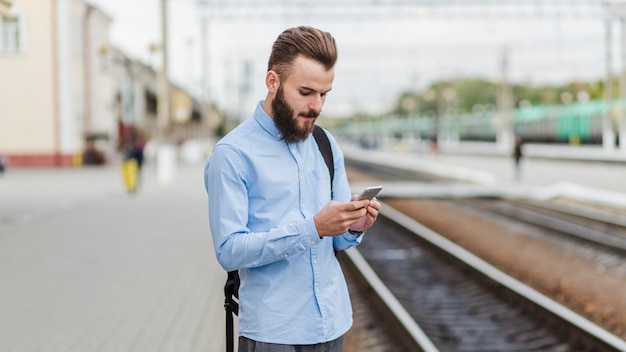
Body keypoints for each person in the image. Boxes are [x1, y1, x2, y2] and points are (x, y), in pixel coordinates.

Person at [204, 26, 381, 352]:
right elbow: (228, 249)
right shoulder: (232, 154)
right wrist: (313, 228)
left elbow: (338, 239)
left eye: (324, 94)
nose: (317, 105)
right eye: (306, 92)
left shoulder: (326, 144)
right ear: (273, 82)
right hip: (275, 334)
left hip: (332, 323)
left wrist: (354, 225)